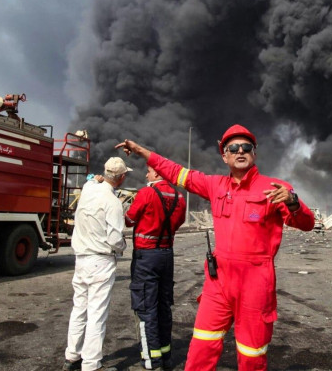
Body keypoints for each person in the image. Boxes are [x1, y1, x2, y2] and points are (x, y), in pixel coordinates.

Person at [116, 124, 315, 370]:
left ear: (254, 153)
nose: (240, 151)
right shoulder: (215, 185)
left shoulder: (275, 188)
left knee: (251, 356)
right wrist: (140, 151)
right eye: (233, 148)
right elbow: (176, 172)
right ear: (224, 156)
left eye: (246, 147)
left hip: (255, 285)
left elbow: (307, 224)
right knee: (200, 349)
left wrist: (294, 202)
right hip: (218, 284)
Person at [63, 157, 132, 371]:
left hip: (81, 259)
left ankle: (72, 356)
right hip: (101, 260)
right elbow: (115, 239)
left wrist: (95, 179)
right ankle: (91, 364)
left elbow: (91, 180)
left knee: (79, 309)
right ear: (122, 177)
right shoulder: (113, 202)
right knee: (97, 313)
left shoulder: (88, 189)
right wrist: (123, 245)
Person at [125, 166, 187, 370]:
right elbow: (178, 222)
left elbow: (129, 220)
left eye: (149, 171)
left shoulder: (147, 193)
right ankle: (165, 356)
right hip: (167, 255)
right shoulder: (179, 197)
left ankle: (152, 360)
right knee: (163, 306)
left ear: (158, 174)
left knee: (146, 308)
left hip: (146, 257)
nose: (146, 174)